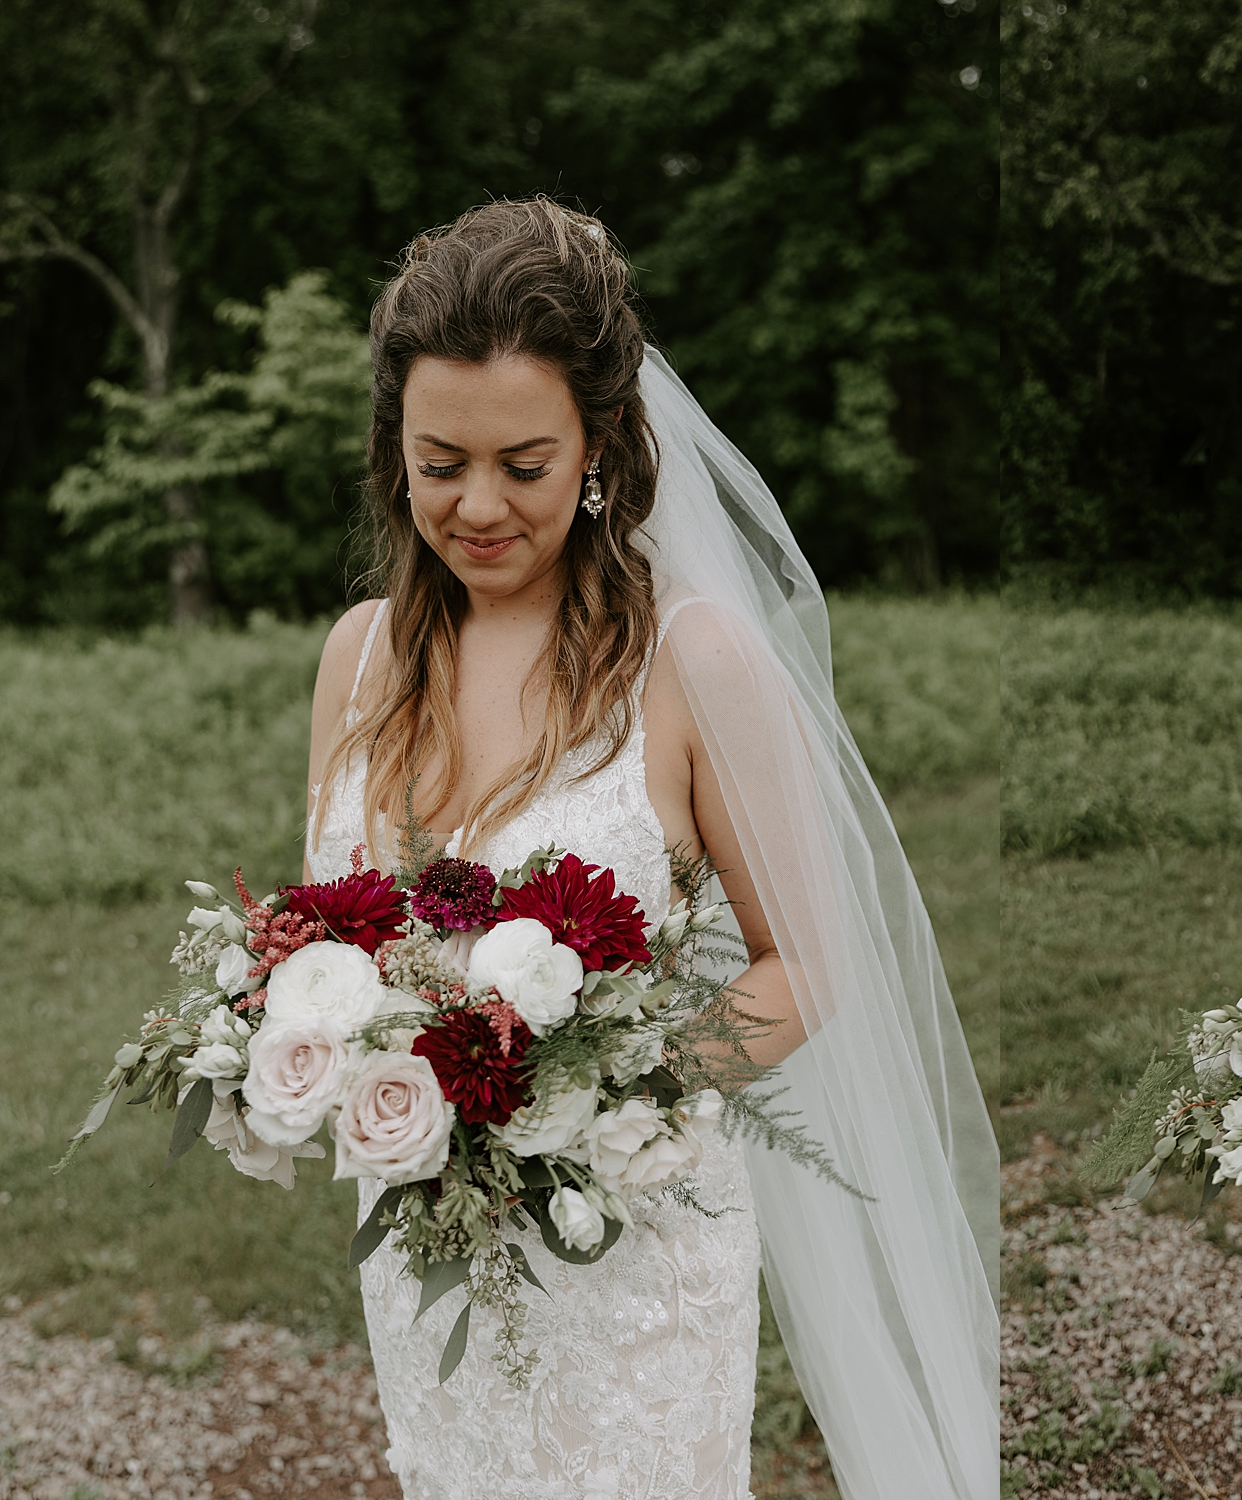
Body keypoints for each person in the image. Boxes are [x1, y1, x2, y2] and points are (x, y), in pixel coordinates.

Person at [303, 198, 999, 1500]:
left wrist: (601, 1100)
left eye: (526, 462)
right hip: (427, 1236)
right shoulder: (358, 661)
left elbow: (807, 957)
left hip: (631, 1241)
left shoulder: (695, 662)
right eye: (440, 460)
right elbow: (331, 943)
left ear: (604, 445)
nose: (478, 505)